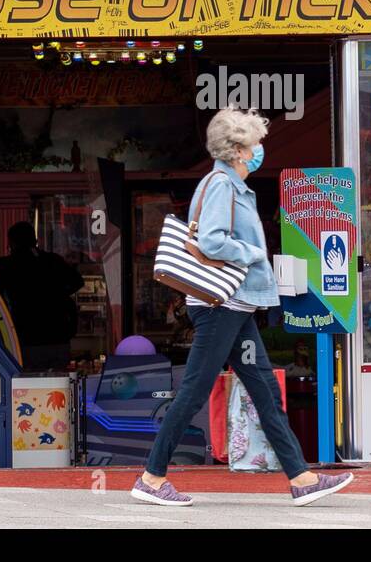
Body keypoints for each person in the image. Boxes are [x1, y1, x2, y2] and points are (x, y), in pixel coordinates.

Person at [132, 107, 354, 508]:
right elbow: (213, 241)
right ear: (237, 149)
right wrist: (254, 252)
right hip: (221, 307)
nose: (259, 151)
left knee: (265, 390)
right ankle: (151, 476)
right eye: (255, 144)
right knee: (195, 391)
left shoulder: (228, 184)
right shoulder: (222, 186)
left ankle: (301, 478)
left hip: (234, 307)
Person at [0, 221, 84, 373]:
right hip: (57, 335)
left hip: (24, 337)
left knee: (28, 384)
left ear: (12, 243)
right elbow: (77, 281)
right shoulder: (52, 260)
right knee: (58, 384)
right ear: (35, 240)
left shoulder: (6, 265)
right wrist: (57, 294)